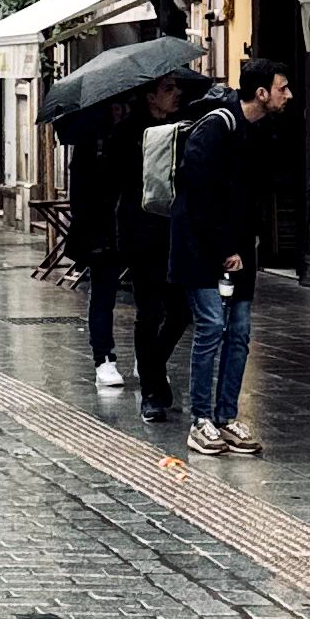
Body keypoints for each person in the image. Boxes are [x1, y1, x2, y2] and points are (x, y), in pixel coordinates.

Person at [165, 55, 295, 455]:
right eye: (282, 88)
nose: (288, 95)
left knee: (238, 333)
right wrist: (224, 250)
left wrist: (244, 247)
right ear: (260, 93)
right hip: (202, 248)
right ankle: (200, 420)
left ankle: (225, 417)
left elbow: (252, 193)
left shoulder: (259, 131)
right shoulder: (216, 129)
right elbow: (200, 194)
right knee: (210, 327)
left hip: (238, 250)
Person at [63, 88, 144, 399]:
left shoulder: (138, 134)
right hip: (103, 229)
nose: (119, 111)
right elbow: (81, 192)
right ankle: (104, 359)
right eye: (113, 106)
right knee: (103, 293)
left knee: (150, 296)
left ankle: (147, 356)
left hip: (137, 226)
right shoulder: (91, 141)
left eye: (123, 105)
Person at [131, 87, 191, 424]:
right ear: (150, 97)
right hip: (144, 238)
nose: (175, 95)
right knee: (148, 314)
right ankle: (152, 393)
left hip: (176, 236)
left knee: (182, 311)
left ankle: (154, 368)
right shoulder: (130, 132)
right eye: (168, 90)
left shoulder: (184, 129)